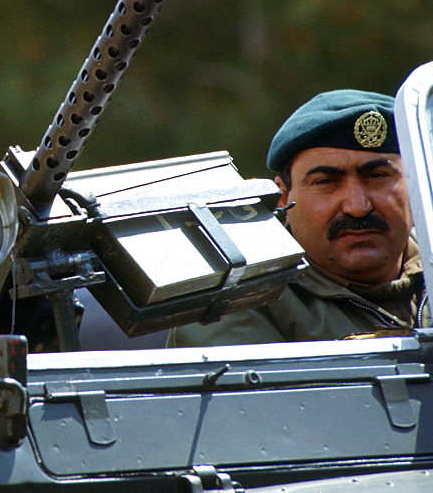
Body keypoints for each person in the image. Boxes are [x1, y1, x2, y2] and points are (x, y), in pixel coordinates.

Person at [168, 89, 428, 347]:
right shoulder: (234, 301)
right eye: (326, 182)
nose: (357, 207)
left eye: (377, 176)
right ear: (283, 197)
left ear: (415, 184)